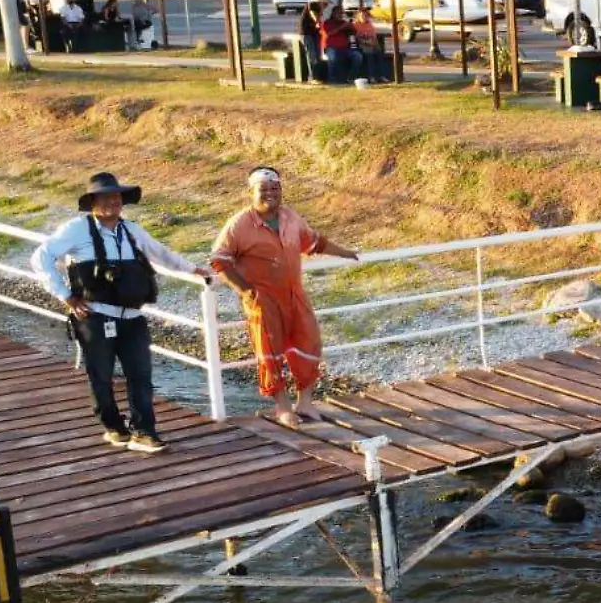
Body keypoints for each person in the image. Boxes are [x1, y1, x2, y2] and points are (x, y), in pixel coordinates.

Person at [30, 172, 212, 453]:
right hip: (96, 316)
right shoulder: (76, 229)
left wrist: (192, 269)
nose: (112, 202)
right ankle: (113, 426)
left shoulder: (131, 230)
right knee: (101, 375)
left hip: (132, 317)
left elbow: (160, 252)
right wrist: (66, 296)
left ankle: (144, 431)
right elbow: (41, 257)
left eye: (116, 196)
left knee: (141, 374)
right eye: (105, 197)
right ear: (92, 202)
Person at [211, 167, 362, 427]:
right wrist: (247, 290)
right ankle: (282, 407)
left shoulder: (290, 217)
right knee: (270, 352)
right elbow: (219, 260)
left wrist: (346, 253)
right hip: (263, 299)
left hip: (295, 294)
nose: (269, 193)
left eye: (274, 188)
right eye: (263, 188)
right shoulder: (239, 224)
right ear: (251, 192)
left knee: (310, 341)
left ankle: (304, 402)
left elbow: (314, 242)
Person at [318, 4, 364, 85]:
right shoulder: (327, 23)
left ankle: (351, 78)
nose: (340, 15)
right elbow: (329, 33)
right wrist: (342, 27)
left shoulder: (343, 22)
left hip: (345, 49)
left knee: (357, 56)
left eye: (342, 13)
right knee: (333, 57)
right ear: (333, 13)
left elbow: (354, 33)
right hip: (331, 48)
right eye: (338, 13)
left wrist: (351, 27)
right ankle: (332, 79)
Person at [351, 5, 392, 82]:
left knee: (380, 55)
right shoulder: (356, 25)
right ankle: (371, 76)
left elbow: (374, 36)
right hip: (362, 45)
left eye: (366, 15)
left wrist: (376, 44)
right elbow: (356, 38)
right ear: (358, 16)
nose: (364, 17)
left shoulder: (369, 24)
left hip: (372, 43)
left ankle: (382, 75)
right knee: (370, 56)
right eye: (362, 15)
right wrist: (366, 41)